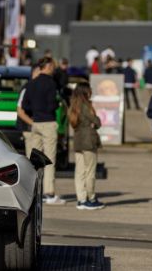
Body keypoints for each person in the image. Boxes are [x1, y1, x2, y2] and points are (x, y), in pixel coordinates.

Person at [18, 57, 66, 204]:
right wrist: (55, 105)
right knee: (49, 158)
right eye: (52, 66)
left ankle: (33, 192)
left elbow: (25, 105)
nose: (53, 69)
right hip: (48, 122)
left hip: (35, 123)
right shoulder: (51, 84)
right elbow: (53, 104)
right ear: (48, 66)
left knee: (34, 160)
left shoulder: (31, 84)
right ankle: (49, 193)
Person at [69, 82, 104, 210]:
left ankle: (81, 199)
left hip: (78, 141)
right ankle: (91, 198)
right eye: (90, 90)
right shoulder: (86, 106)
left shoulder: (73, 105)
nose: (91, 92)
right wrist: (95, 122)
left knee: (80, 172)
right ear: (85, 92)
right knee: (90, 171)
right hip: (89, 141)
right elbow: (97, 121)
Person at [17, 65, 41, 157]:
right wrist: (34, 123)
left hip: (35, 127)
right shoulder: (27, 88)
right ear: (34, 73)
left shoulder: (37, 87)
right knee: (32, 157)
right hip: (29, 128)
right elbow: (20, 111)